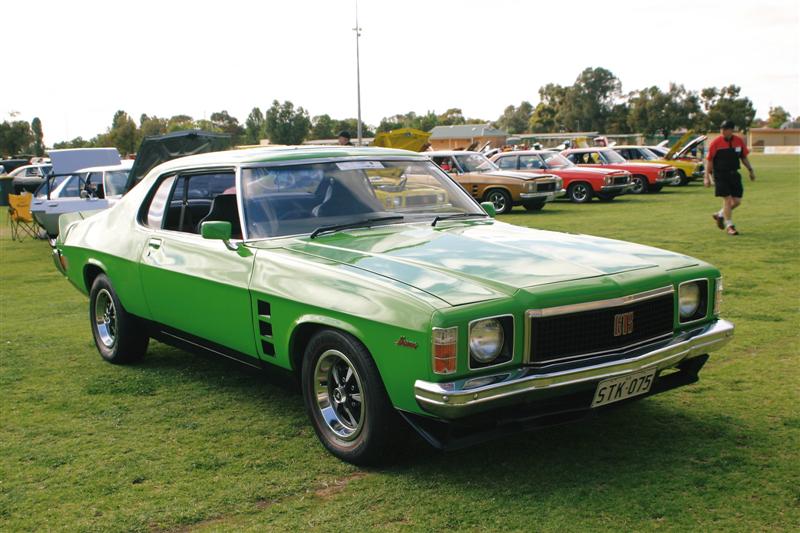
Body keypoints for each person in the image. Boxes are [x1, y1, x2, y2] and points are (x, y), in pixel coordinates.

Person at [705, 119, 756, 235]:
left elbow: (743, 157)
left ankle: (720, 214)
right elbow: (709, 160)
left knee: (737, 201)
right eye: (721, 129)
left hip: (734, 174)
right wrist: (707, 177)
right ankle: (730, 226)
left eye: (726, 129)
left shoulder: (739, 141)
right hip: (720, 175)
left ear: (731, 130)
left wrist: (751, 170)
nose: (722, 131)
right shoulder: (715, 142)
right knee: (727, 200)